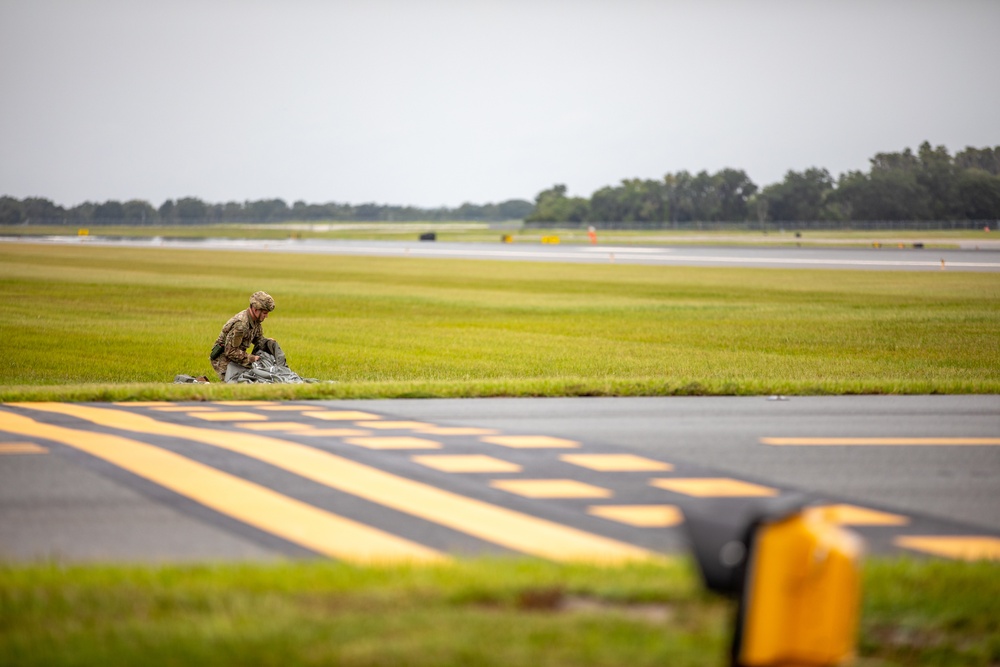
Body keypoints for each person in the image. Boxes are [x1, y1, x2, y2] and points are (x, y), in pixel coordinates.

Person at [210, 291, 277, 380]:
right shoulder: (241, 325)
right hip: (223, 359)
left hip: (238, 356)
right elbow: (230, 351)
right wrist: (252, 358)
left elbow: (258, 339)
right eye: (265, 313)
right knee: (237, 382)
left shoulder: (255, 321)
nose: (267, 316)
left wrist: (267, 342)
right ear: (255, 309)